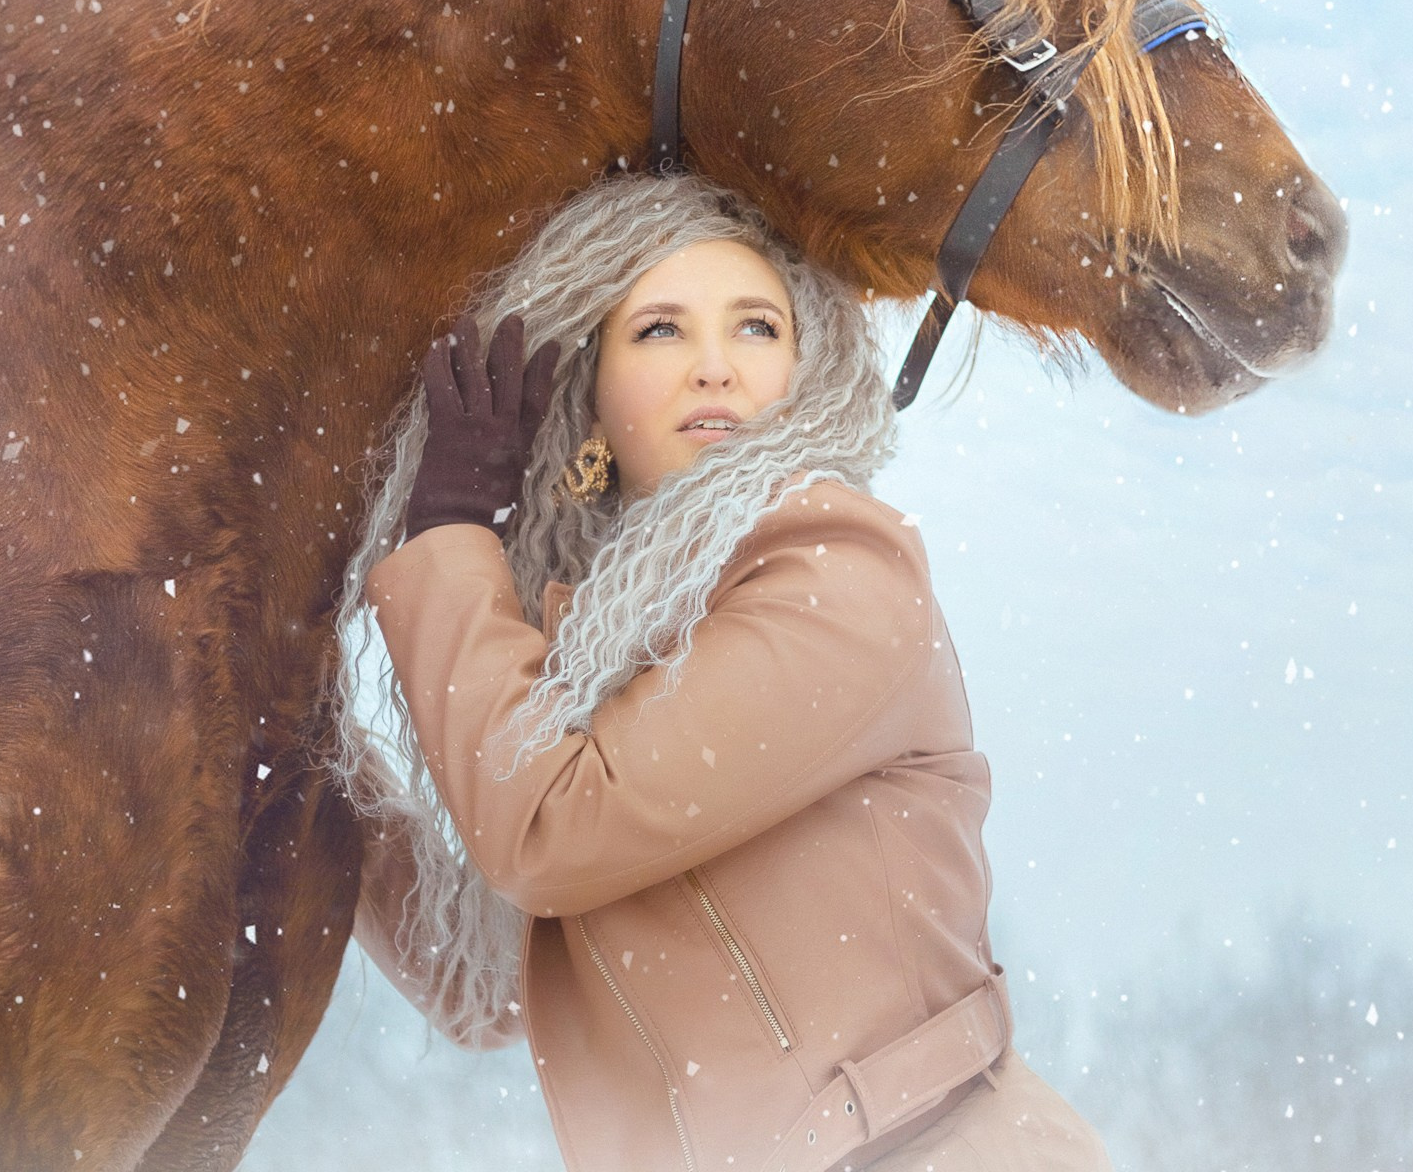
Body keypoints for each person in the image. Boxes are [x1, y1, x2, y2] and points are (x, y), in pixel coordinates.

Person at [335, 172, 1111, 1171]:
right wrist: (298, 749)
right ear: (589, 395)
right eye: (659, 330)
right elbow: (476, 980)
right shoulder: (578, 653)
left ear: (804, 371)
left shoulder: (845, 577)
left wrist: (446, 536)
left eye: (755, 328)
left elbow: (548, 832)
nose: (713, 367)